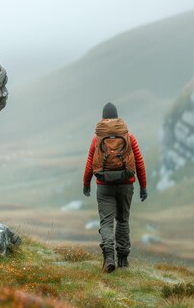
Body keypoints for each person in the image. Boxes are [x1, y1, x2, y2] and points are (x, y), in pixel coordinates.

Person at [82, 102, 147, 273]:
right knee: (123, 221)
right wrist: (143, 186)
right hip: (126, 183)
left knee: (106, 223)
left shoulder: (97, 138)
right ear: (117, 117)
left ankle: (109, 259)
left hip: (104, 185)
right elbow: (139, 163)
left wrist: (86, 183)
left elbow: (90, 162)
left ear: (103, 118)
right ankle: (123, 260)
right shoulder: (128, 137)